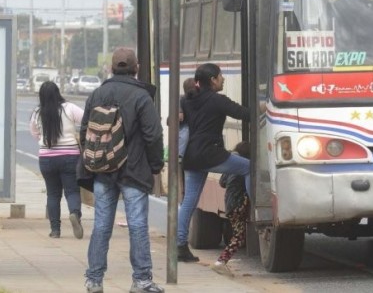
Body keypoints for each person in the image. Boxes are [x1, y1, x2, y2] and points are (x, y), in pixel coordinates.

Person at [80, 47, 165, 293]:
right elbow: (153, 135)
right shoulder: (141, 97)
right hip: (134, 170)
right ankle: (142, 281)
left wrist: (95, 159)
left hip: (103, 170)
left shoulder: (97, 94)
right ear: (136, 68)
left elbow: (84, 130)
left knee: (102, 225)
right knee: (137, 225)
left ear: (111, 68)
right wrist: (156, 164)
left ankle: (94, 280)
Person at [177, 63, 250, 263]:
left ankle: (180, 245)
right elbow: (245, 114)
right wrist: (266, 107)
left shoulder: (187, 100)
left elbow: (174, 119)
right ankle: (253, 212)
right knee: (248, 167)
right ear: (213, 80)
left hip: (192, 156)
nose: (223, 79)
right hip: (212, 154)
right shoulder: (217, 100)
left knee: (189, 202)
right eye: (220, 76)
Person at [29, 81, 84, 240]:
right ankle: (74, 213)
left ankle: (55, 230)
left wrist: (44, 140)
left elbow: (34, 133)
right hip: (70, 156)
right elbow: (87, 119)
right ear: (58, 93)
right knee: (72, 190)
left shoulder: (37, 112)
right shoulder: (70, 108)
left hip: (46, 158)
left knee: (53, 194)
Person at [212, 141, 251, 277]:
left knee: (239, 234)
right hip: (238, 204)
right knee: (239, 236)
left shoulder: (233, 165)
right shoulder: (246, 166)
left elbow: (222, 183)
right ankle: (221, 262)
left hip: (229, 204)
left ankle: (221, 262)